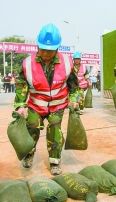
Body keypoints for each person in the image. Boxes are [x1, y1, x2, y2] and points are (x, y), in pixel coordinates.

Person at [14, 23, 80, 176]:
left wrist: (74, 99)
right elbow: (21, 85)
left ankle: (54, 161)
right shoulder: (27, 63)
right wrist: (20, 105)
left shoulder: (67, 62)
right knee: (32, 129)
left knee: (55, 131)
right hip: (35, 106)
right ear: (37, 46)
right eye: (42, 49)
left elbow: (74, 85)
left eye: (49, 51)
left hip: (57, 105)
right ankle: (29, 154)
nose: (45, 53)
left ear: (57, 48)